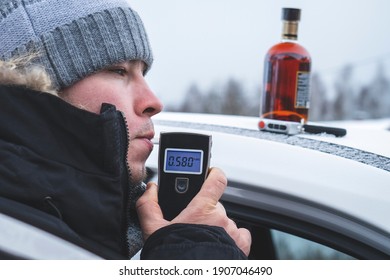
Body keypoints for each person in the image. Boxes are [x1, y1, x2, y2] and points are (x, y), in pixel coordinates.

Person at [0, 0, 251, 259]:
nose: (154, 102)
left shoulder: (118, 227)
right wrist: (197, 252)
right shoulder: (16, 234)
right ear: (40, 85)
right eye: (118, 70)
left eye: (144, 73)